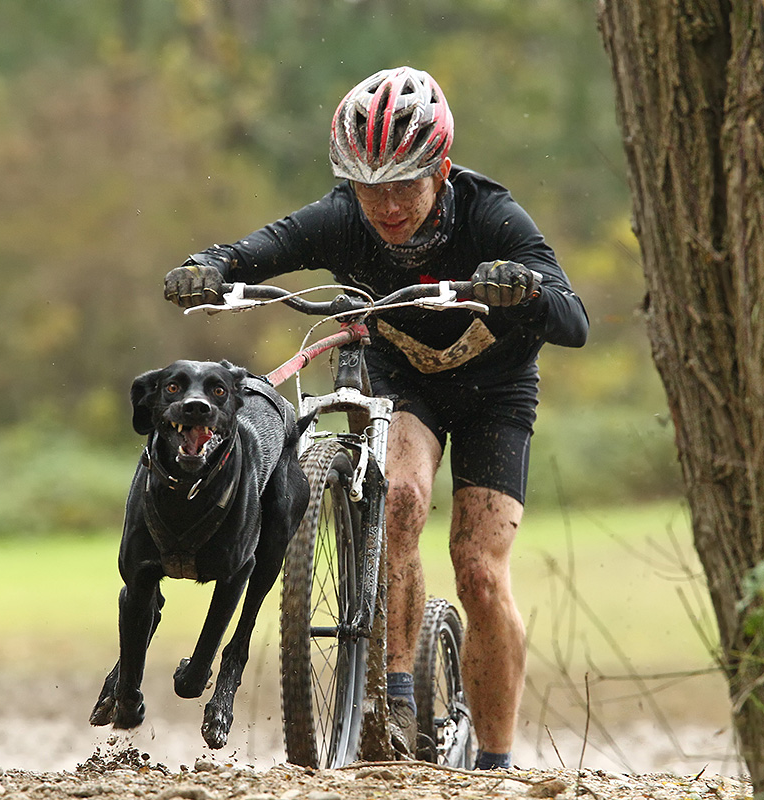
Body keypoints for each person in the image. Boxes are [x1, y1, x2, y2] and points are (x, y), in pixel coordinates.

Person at [163, 66, 588, 770]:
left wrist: (527, 288)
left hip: (496, 389)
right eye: (368, 188)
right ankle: (392, 697)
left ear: (440, 170)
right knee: (399, 496)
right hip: (404, 379)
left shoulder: (491, 215)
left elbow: (573, 322)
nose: (385, 206)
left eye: (403, 186)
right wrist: (207, 266)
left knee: (478, 569)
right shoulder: (338, 218)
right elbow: (252, 251)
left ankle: (496, 764)